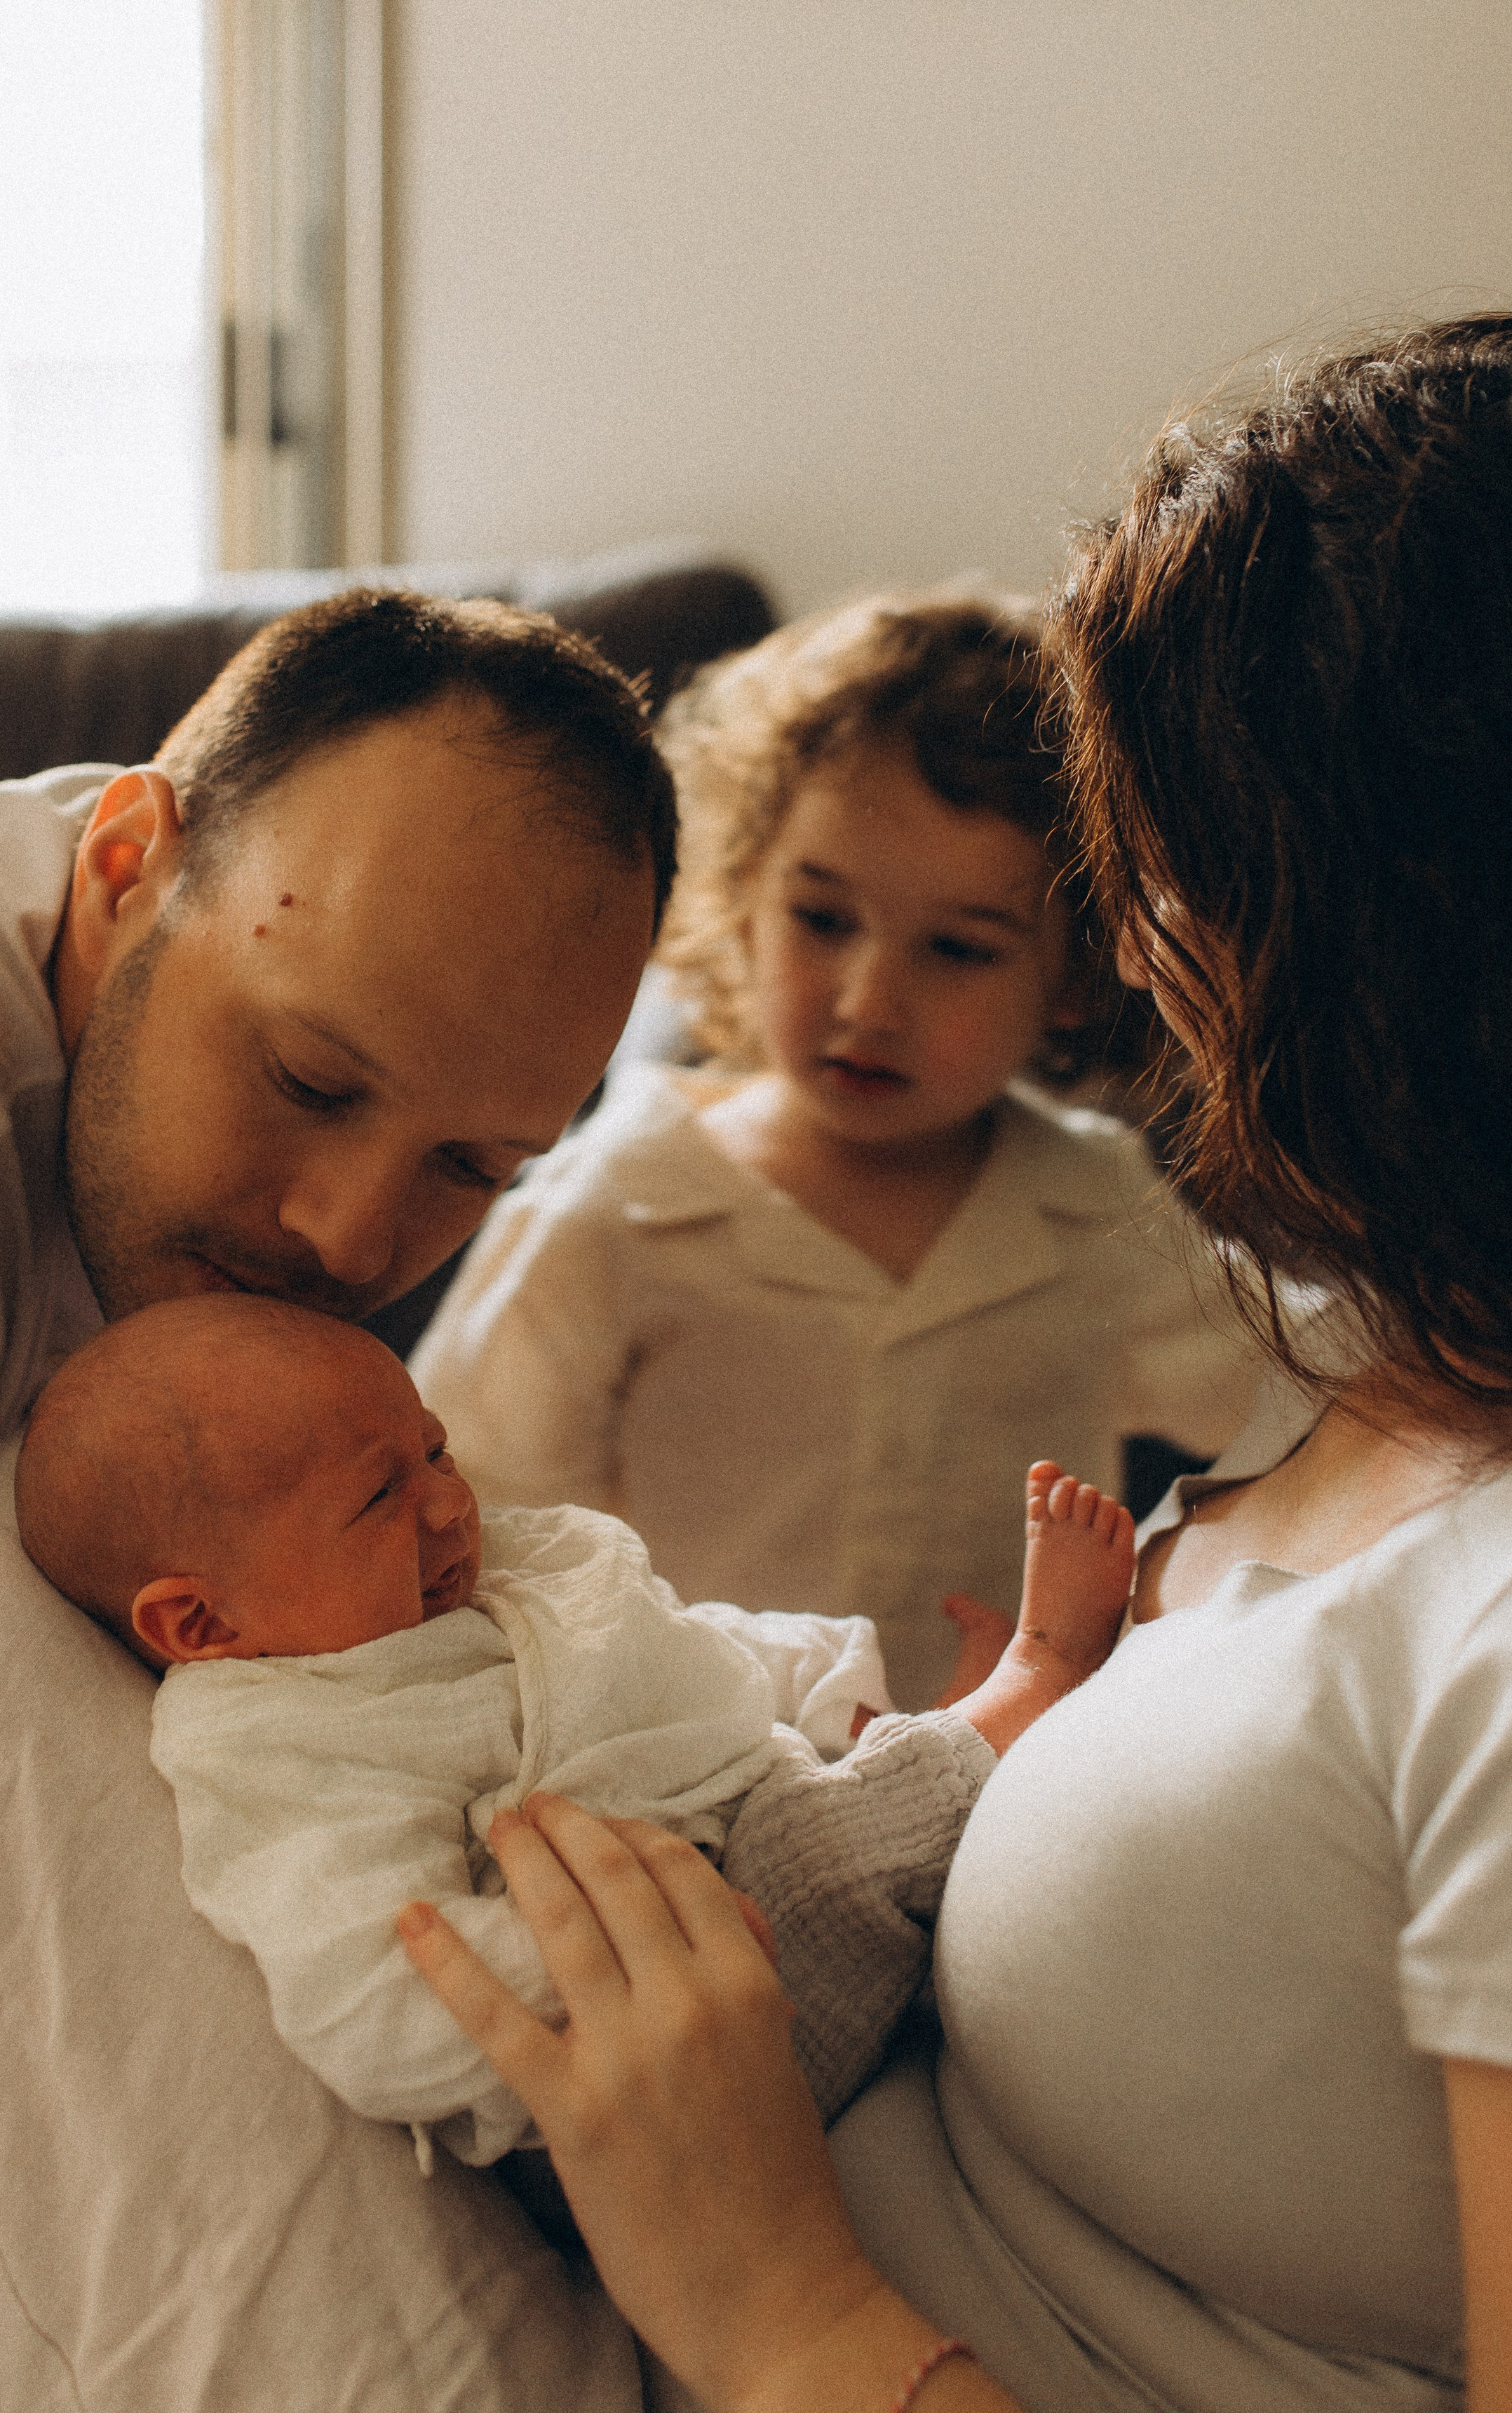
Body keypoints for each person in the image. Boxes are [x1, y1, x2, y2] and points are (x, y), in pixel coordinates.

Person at [400, 318, 1512, 2413]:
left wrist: (775, 2301)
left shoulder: (1143, 1257)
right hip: (646, 2034)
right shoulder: (1385, 1359)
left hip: (727, 2302)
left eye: (1177, 857)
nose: (1162, 932)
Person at [0, 591, 684, 2409]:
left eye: (473, 1167)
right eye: (310, 1080)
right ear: (128, 855)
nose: (352, 1239)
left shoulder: (210, 1062)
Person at [14, 1291, 1133, 2167]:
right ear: (204, 1620)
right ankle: (1026, 1687)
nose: (451, 1505)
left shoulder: (487, 1572)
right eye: (377, 1501)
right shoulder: (283, 1744)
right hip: (649, 2090)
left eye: (436, 1452)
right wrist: (638, 1944)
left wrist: (838, 1694)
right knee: (810, 1844)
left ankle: (928, 1755)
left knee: (852, 1816)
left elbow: (681, 1642)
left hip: (759, 1825)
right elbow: (373, 1996)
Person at [412, 590, 1257, 1705]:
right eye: (822, 920)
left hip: (995, 1786)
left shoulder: (1094, 1210)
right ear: (743, 897)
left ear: (1073, 972)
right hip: (694, 1765)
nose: (870, 1002)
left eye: (958, 948)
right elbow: (471, 1508)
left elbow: (1304, 1391)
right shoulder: (619, 1202)